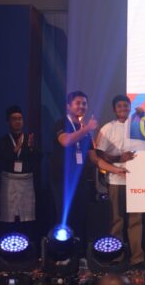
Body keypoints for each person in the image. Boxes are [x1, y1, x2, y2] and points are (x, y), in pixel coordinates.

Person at [89, 95, 145, 270]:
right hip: (116, 180)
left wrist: (143, 117)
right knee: (117, 220)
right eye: (119, 106)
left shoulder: (138, 125)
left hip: (137, 180)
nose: (123, 108)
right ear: (114, 109)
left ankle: (137, 258)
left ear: (130, 107)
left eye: (126, 105)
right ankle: (116, 256)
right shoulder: (108, 128)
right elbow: (99, 154)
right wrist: (119, 158)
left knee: (136, 221)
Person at [50, 90, 98, 252]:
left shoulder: (84, 129)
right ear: (68, 106)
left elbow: (93, 158)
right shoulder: (61, 123)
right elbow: (66, 141)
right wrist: (87, 129)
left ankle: (81, 256)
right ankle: (64, 255)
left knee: (82, 217)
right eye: (78, 103)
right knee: (65, 218)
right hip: (62, 180)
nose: (82, 106)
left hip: (80, 180)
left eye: (84, 103)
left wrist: (116, 166)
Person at [0, 105, 41, 239]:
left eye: (20, 118)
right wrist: (16, 149)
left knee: (27, 217)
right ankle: (7, 243)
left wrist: (31, 148)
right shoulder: (2, 141)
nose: (18, 121)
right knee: (8, 216)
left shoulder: (30, 139)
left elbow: (39, 159)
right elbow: (1, 159)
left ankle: (27, 243)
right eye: (14, 119)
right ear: (8, 122)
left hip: (26, 180)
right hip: (9, 180)